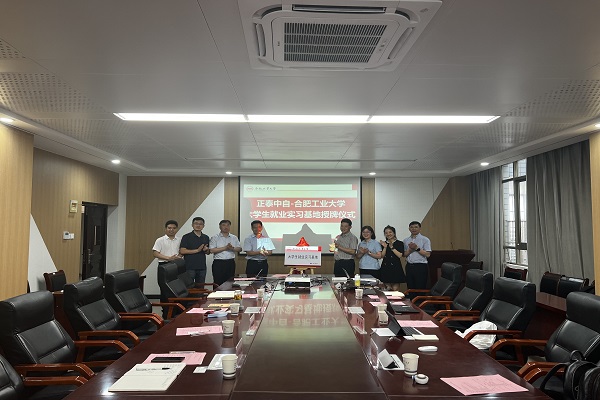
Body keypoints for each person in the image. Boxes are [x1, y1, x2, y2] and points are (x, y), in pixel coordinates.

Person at [403, 221, 431, 297]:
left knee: (420, 288)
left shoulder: (425, 239)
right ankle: (412, 303)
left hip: (420, 266)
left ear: (420, 229)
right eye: (411, 227)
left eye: (416, 227)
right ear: (409, 229)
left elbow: (428, 254)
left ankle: (420, 304)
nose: (414, 229)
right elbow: (404, 254)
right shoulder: (406, 240)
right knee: (410, 288)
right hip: (409, 266)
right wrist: (410, 250)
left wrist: (417, 248)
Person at [210, 219, 242, 285]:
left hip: (230, 263)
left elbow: (239, 249)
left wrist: (232, 248)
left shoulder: (234, 237)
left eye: (228, 225)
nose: (226, 227)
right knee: (218, 282)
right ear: (220, 227)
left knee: (230, 282)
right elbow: (212, 250)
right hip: (218, 263)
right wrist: (225, 248)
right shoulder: (214, 237)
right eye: (223, 225)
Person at [179, 217, 210, 285]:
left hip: (202, 267)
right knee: (189, 287)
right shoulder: (186, 237)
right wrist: (197, 250)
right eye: (196, 223)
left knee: (201, 287)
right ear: (192, 225)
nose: (198, 225)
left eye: (200, 224)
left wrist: (206, 250)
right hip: (190, 267)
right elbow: (182, 251)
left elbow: (208, 253)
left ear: (203, 226)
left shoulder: (206, 237)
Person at [379, 225, 406, 291]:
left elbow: (399, 255)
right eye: (386, 233)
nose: (388, 234)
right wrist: (385, 247)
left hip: (396, 267)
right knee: (387, 288)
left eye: (390, 232)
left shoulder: (399, 243)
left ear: (394, 233)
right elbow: (382, 256)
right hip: (385, 267)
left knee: (395, 289)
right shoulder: (384, 243)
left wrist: (392, 247)